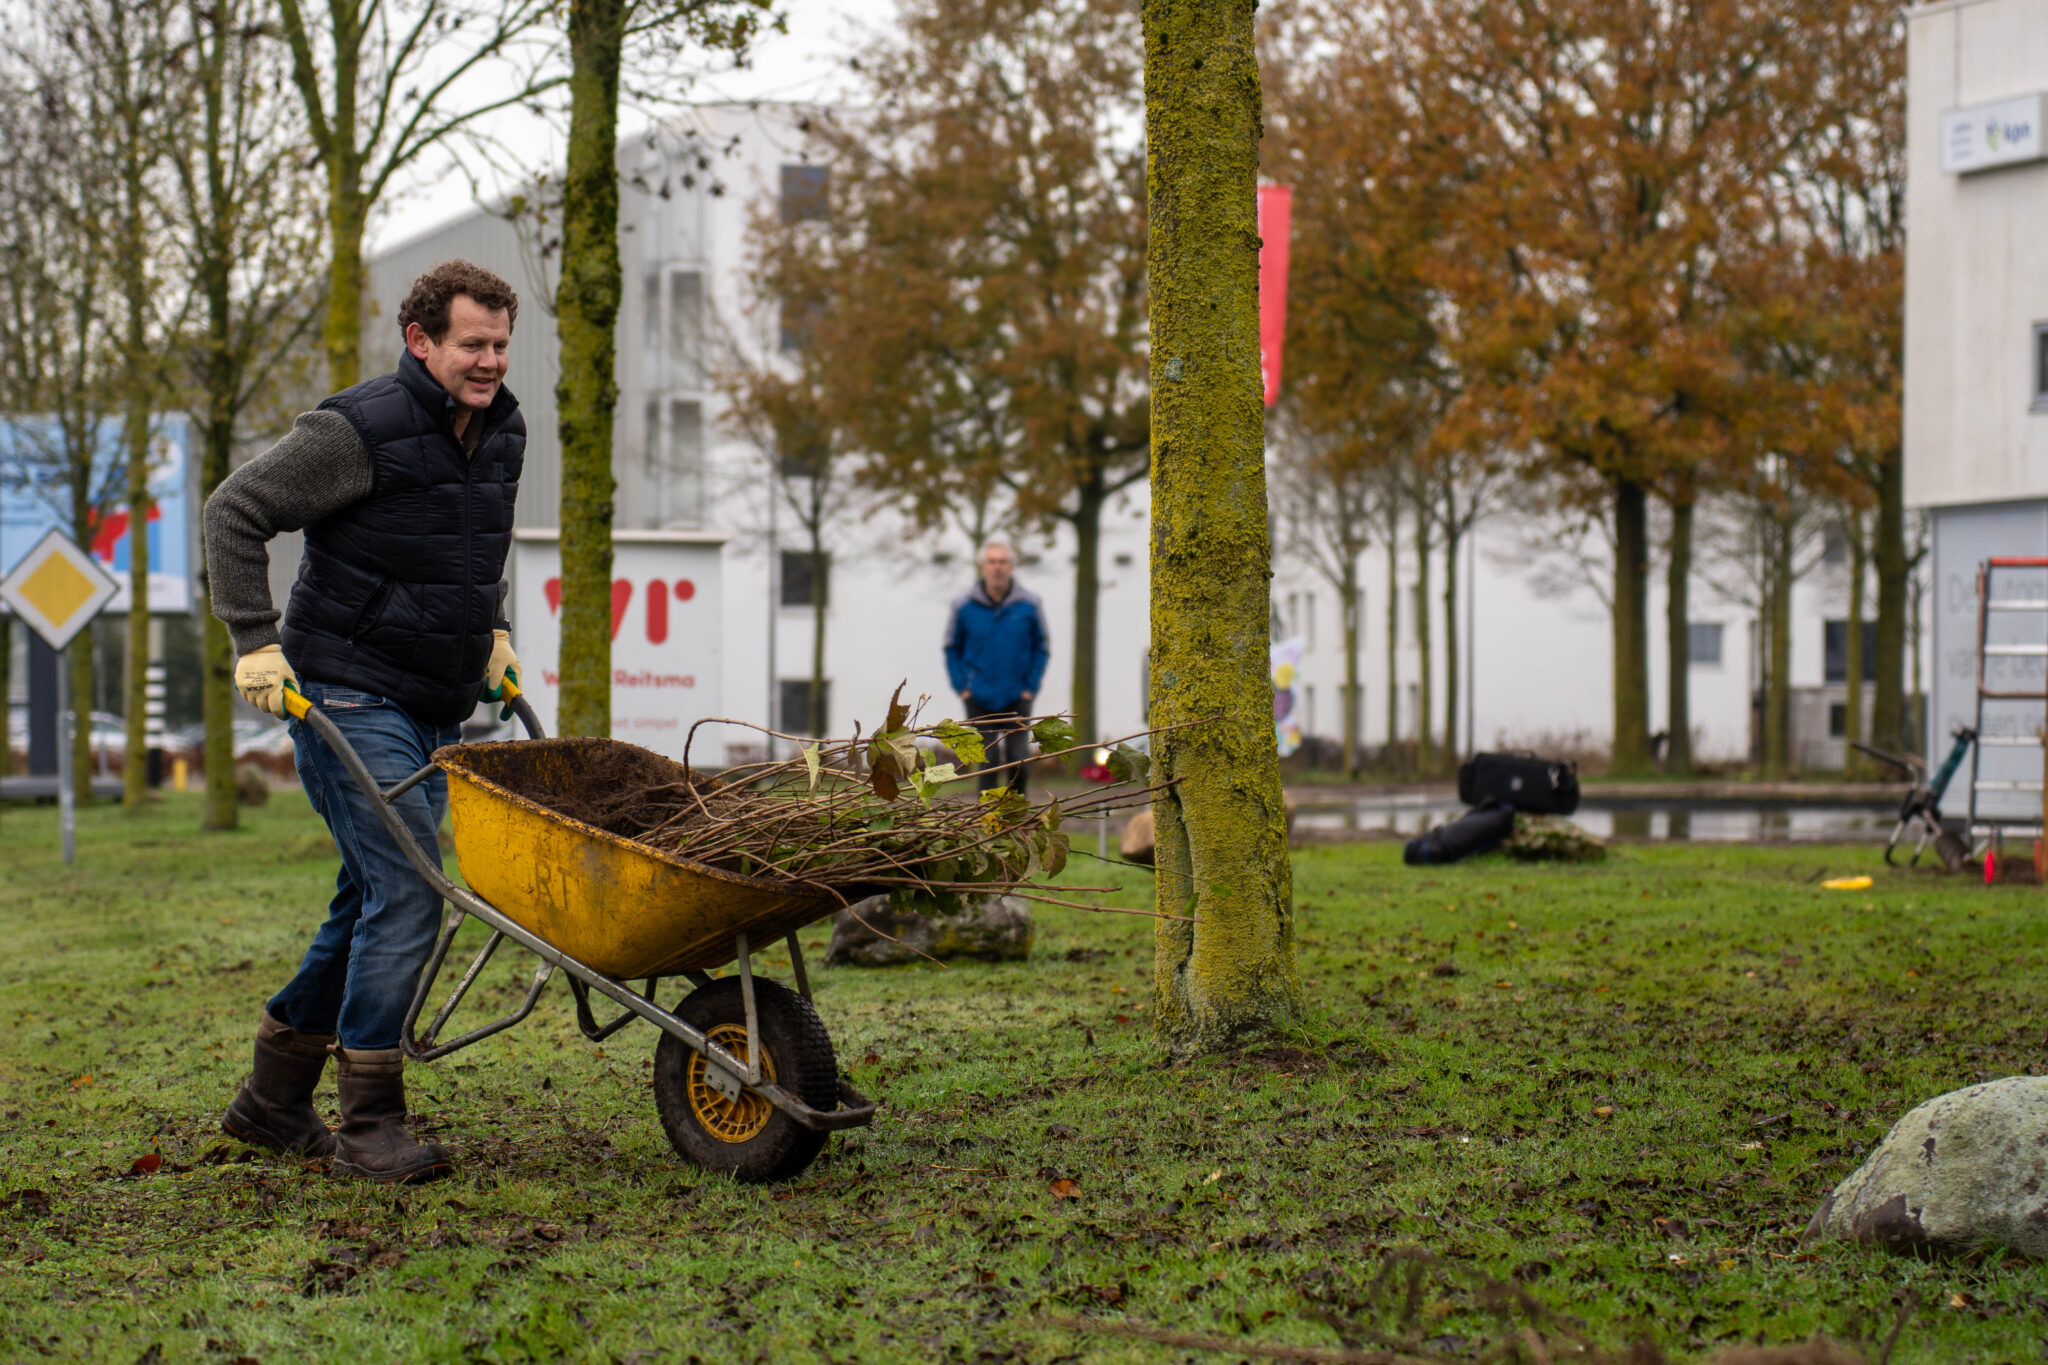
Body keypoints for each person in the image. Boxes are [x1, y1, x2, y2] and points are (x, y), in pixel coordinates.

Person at [203, 260, 526, 1185]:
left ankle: (272, 1098)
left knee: (370, 894)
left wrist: (492, 629)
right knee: (416, 886)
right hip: (344, 691)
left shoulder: (503, 434)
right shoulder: (358, 429)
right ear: (420, 341)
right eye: (473, 344)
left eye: (501, 345)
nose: (490, 361)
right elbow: (235, 511)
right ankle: (370, 1122)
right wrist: (255, 639)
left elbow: (474, 547)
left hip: (433, 703)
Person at [942, 540, 1051, 793]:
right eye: (992, 562)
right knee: (986, 762)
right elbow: (951, 648)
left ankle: (1016, 817)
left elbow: (1041, 647)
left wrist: (1030, 687)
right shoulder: (964, 606)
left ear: (1011, 567)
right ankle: (986, 822)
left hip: (1018, 696)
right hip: (978, 697)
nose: (997, 567)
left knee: (1019, 761)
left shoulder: (1029, 605)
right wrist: (962, 687)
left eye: (1002, 562)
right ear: (983, 567)